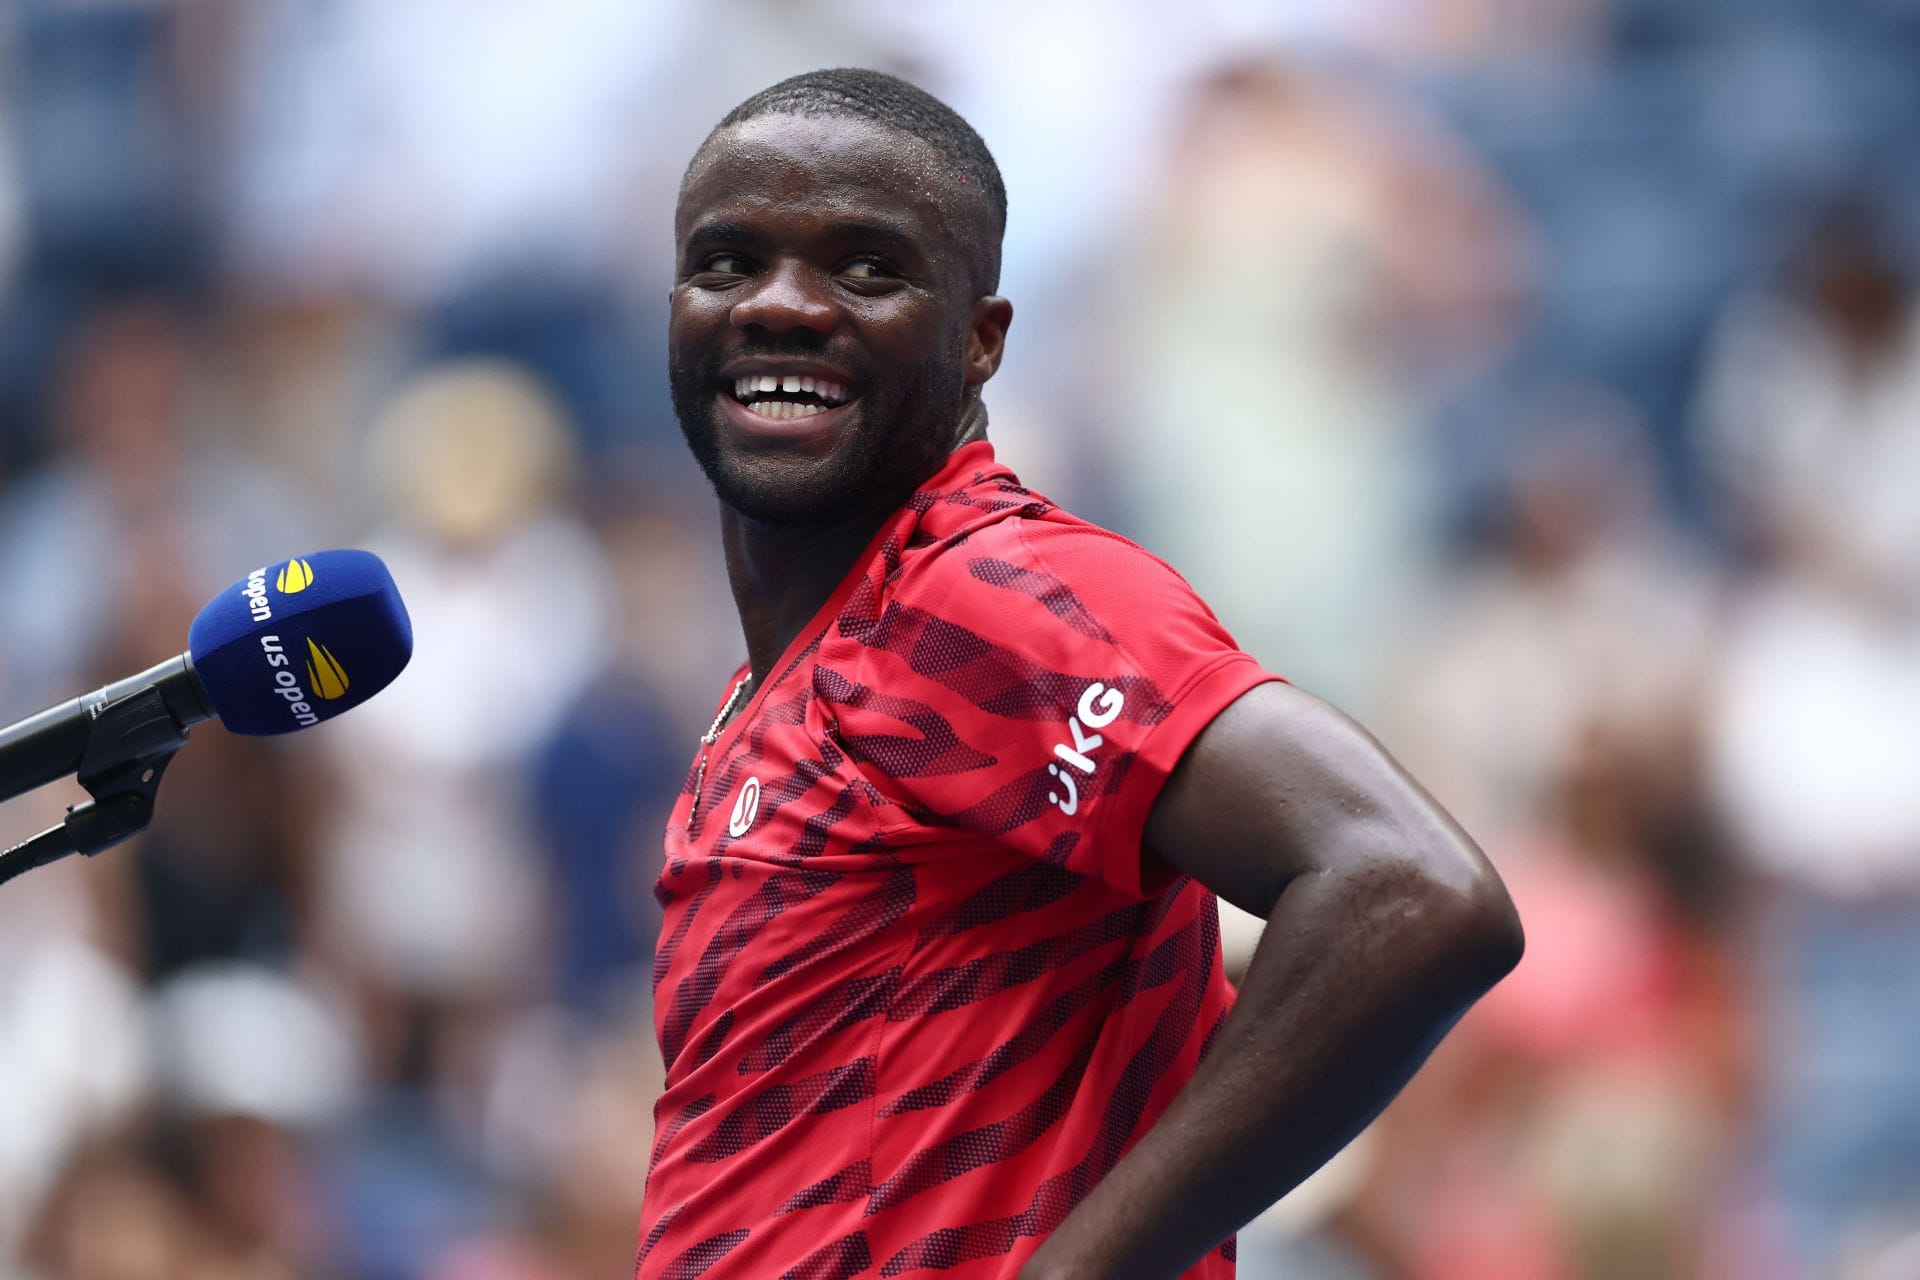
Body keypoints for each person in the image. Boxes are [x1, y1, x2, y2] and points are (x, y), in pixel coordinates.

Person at [639, 68, 1523, 1280]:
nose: (780, 306)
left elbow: (1409, 887)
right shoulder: (798, 674)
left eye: (866, 268)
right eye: (728, 262)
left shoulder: (979, 592)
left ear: (982, 339)